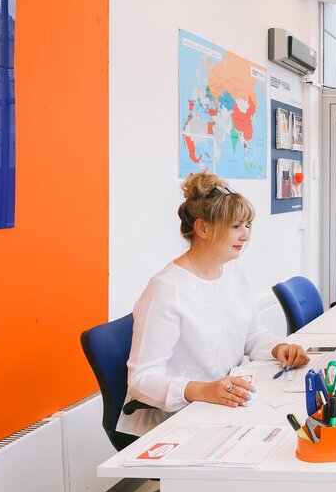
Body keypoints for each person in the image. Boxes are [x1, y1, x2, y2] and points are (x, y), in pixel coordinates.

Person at [117, 171, 309, 437]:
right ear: (203, 229)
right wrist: (203, 390)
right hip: (178, 416)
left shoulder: (233, 273)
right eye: (236, 226)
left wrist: (279, 348)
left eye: (247, 226)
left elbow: (252, 335)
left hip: (225, 403)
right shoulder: (167, 289)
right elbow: (142, 380)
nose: (246, 236)